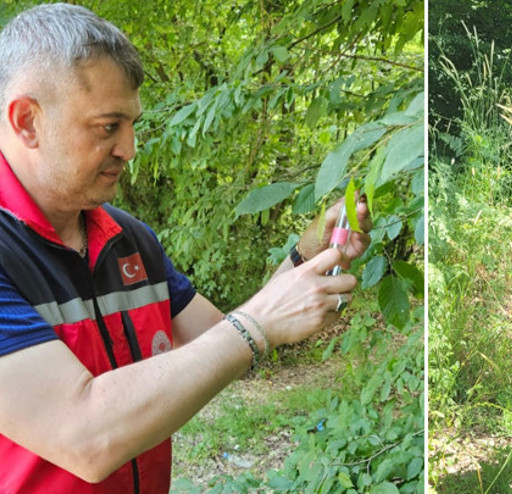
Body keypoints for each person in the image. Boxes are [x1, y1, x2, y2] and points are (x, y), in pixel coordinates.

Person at [0, 3, 371, 492]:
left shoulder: (127, 238)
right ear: (27, 121)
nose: (129, 149)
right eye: (108, 126)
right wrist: (257, 326)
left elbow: (220, 341)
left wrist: (305, 258)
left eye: (131, 124)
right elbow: (84, 435)